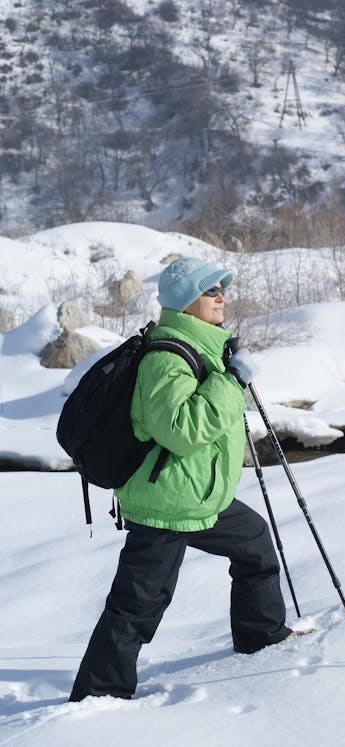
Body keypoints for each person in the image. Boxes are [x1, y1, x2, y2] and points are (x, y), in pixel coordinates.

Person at [69, 256, 294, 702]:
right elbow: (182, 431)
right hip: (165, 504)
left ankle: (262, 639)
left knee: (256, 547)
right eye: (211, 290)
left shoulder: (204, 347)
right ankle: (99, 696)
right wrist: (231, 382)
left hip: (200, 498)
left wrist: (226, 371)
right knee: (138, 605)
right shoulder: (166, 357)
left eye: (221, 289)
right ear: (186, 299)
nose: (221, 297)